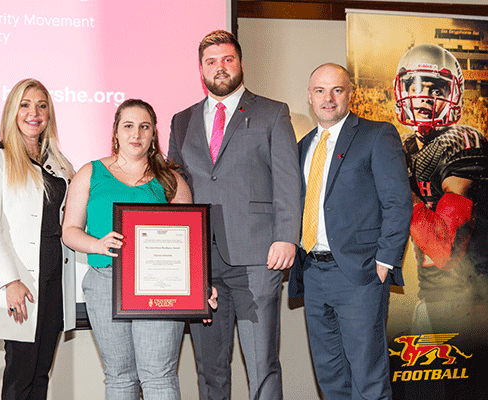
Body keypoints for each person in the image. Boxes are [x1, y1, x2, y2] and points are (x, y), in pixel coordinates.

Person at [168, 30, 300, 400]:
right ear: (201, 70)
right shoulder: (181, 121)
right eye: (211, 62)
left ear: (240, 63)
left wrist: (286, 235)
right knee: (209, 368)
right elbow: (176, 188)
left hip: (259, 257)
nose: (220, 67)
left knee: (262, 364)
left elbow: (289, 179)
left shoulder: (272, 112)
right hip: (202, 262)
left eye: (227, 59)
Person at [62, 99, 217, 400]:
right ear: (116, 133)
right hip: (105, 283)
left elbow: (188, 243)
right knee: (119, 377)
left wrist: (200, 286)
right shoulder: (89, 173)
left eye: (144, 127)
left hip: (157, 289)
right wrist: (96, 244)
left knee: (158, 376)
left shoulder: (171, 180)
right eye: (128, 126)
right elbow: (69, 231)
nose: (136, 133)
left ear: (153, 134)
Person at [289, 63, 412, 399]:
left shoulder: (377, 134)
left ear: (350, 94)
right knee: (330, 376)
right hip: (313, 273)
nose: (328, 98)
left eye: (336, 90)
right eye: (320, 91)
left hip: (360, 275)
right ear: (310, 99)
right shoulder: (302, 146)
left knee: (368, 378)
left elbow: (398, 202)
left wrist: (385, 261)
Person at [0, 78, 76, 399]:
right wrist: (10, 282)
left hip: (54, 282)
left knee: (41, 375)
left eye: (42, 105)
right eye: (25, 105)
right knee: (20, 377)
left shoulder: (59, 163)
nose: (34, 113)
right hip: (22, 288)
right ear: (12, 112)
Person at [393, 43, 488, 335]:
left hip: (471, 298)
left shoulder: (463, 142)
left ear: (453, 95)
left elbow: (444, 247)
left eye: (436, 89)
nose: (423, 98)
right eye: (415, 86)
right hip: (430, 295)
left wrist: (396, 189)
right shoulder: (407, 146)